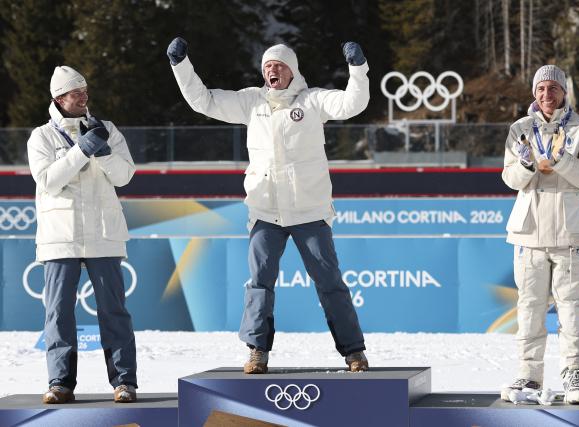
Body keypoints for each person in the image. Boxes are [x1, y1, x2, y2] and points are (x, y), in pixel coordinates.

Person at [167, 38, 370, 374]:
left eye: (278, 65)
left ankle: (354, 352)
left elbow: (353, 103)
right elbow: (204, 100)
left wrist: (358, 69)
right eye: (266, 67)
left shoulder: (313, 100)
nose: (271, 70)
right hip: (265, 212)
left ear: (292, 70)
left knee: (330, 283)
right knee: (260, 283)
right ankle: (257, 350)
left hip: (309, 212)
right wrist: (180, 65)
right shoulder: (251, 101)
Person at [27, 66, 138, 403]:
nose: (84, 97)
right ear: (59, 98)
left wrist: (103, 152)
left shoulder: (108, 130)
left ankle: (124, 381)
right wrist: (81, 150)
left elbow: (125, 176)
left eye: (85, 90)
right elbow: (47, 180)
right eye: (76, 92)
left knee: (113, 310)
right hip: (60, 237)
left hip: (103, 234)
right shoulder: (41, 137)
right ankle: (60, 382)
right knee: (58, 313)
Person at [501, 64, 579, 404]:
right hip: (530, 235)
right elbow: (510, 179)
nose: (547, 95)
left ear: (563, 92)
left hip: (570, 235)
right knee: (529, 310)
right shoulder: (520, 129)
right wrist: (528, 164)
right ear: (534, 92)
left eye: (553, 88)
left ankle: (575, 376)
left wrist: (560, 160)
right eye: (541, 89)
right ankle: (529, 377)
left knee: (572, 310)